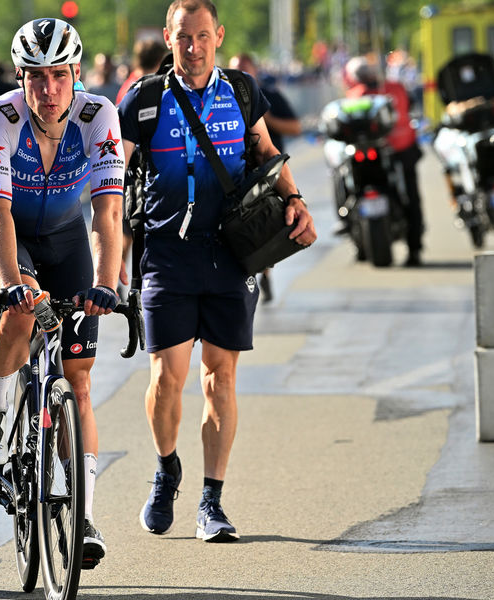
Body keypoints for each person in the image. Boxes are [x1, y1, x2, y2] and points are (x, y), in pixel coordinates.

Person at [117, 0, 315, 543]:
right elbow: (112, 184)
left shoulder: (243, 90)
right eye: (184, 37)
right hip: (167, 254)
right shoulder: (144, 100)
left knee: (220, 377)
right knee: (166, 379)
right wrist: (106, 256)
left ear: (218, 36)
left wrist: (295, 200)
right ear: (168, 38)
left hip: (229, 254)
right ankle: (165, 470)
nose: (195, 47)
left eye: (203, 36)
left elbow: (268, 150)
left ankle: (212, 501)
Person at [0, 18, 124, 569]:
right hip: (4, 233)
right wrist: (12, 285)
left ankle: (81, 516)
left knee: (79, 380)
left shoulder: (97, 116)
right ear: (21, 78)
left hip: (64, 238)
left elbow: (108, 212)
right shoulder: (0, 118)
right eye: (37, 77)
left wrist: (107, 284)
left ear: (77, 74)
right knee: (20, 312)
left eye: (60, 75)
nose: (50, 88)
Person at [228, 53, 302, 302]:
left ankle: (266, 275)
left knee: (265, 224)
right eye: (236, 69)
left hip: (269, 173)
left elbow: (296, 127)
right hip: (241, 176)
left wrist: (266, 119)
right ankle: (252, 274)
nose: (241, 73)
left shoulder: (270, 95)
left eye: (245, 68)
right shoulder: (224, 96)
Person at [344, 55, 424, 266]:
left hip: (396, 153)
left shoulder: (357, 96)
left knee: (409, 197)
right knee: (410, 197)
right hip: (394, 153)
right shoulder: (393, 88)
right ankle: (413, 248)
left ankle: (412, 247)